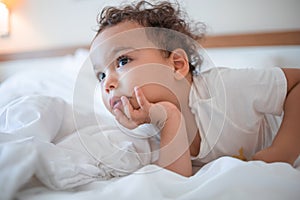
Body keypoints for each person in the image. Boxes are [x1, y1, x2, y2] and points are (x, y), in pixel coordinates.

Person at [89, 0, 300, 177]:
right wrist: (170, 117)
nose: (107, 83)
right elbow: (176, 184)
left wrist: (282, 150)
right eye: (101, 75)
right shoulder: (141, 131)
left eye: (123, 61)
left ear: (177, 65)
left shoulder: (225, 88)